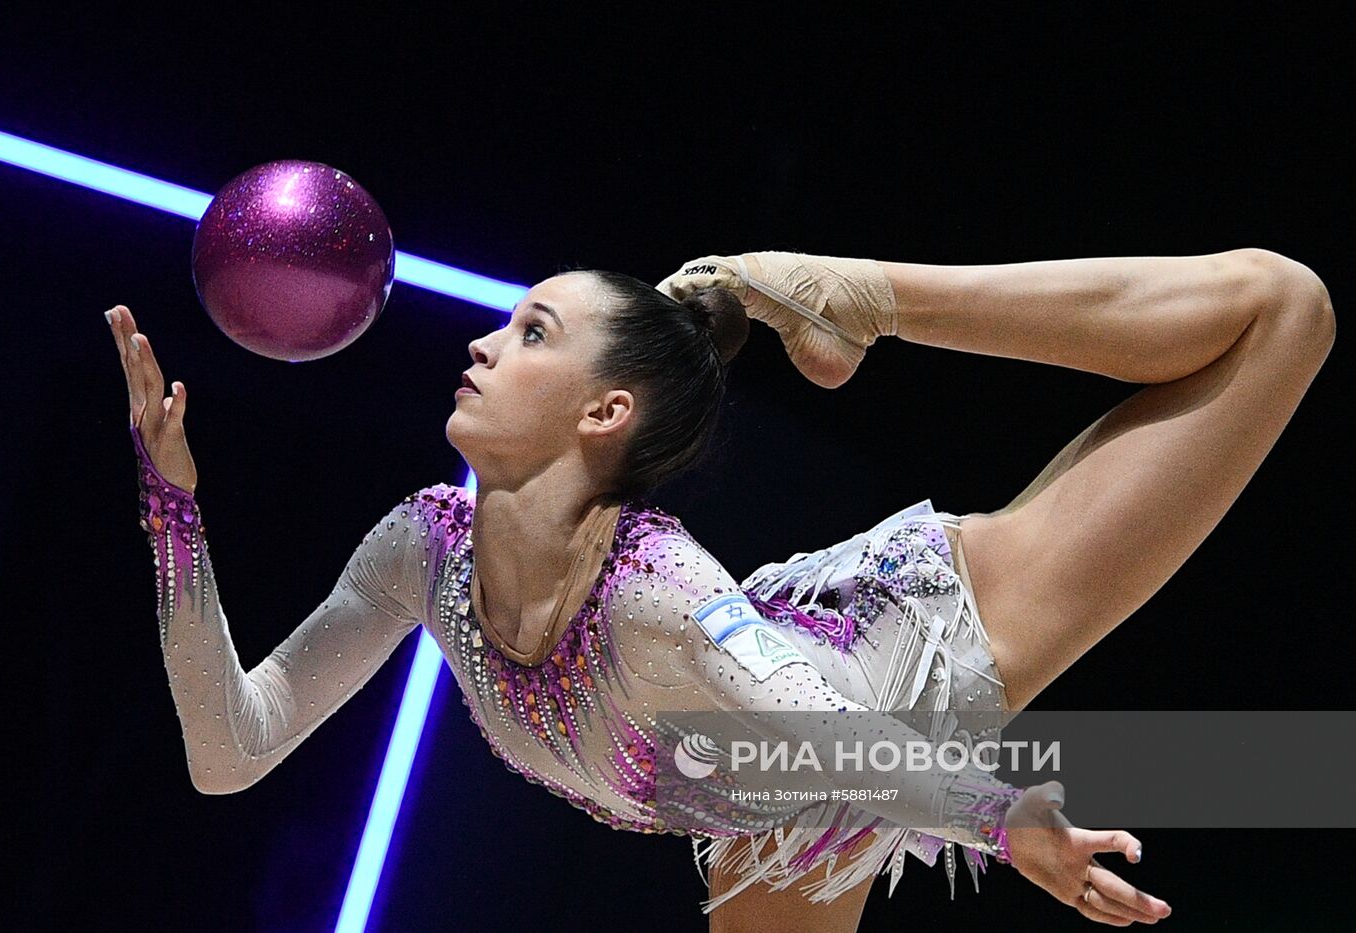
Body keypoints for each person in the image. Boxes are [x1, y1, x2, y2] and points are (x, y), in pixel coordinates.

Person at [108, 247, 1331, 929]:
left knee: (1282, 309)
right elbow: (231, 748)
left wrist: (1011, 826)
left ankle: (868, 295)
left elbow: (829, 737)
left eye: (529, 331)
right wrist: (175, 513)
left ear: (604, 412)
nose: (480, 343)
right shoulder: (418, 548)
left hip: (892, 668)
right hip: (755, 803)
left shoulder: (650, 587)